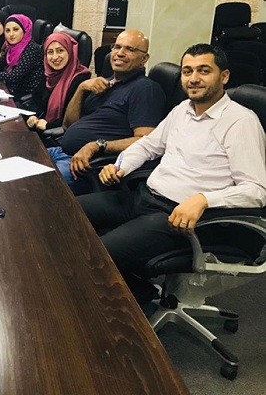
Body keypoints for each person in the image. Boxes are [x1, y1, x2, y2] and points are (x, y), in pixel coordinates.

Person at [79, 43, 266, 302]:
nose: (193, 78)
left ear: (224, 76)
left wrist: (203, 199)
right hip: (144, 198)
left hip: (179, 220)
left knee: (95, 255)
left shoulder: (240, 122)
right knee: (68, 212)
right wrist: (122, 166)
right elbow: (148, 145)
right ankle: (132, 287)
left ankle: (122, 306)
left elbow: (256, 190)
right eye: (187, 71)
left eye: (204, 71)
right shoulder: (182, 110)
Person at [47, 29, 165, 194]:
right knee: (16, 159)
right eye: (117, 47)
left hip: (86, 167)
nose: (120, 53)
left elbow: (145, 140)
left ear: (144, 59)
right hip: (61, 151)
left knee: (32, 185)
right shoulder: (104, 84)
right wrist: (81, 88)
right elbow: (68, 125)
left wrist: (97, 145)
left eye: (130, 49)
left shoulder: (145, 89)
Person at [26, 32, 91, 131]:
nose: (55, 57)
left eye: (60, 50)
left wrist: (48, 125)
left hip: (59, 133)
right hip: (41, 128)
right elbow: (35, 100)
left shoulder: (81, 80)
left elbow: (75, 119)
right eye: (50, 52)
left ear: (70, 51)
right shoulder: (48, 73)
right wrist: (32, 116)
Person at [0, 14, 43, 104]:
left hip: (24, 99)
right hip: (11, 91)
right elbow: (0, 63)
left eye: (15, 29)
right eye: (7, 30)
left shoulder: (32, 49)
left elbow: (14, 76)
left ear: (25, 30)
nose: (11, 34)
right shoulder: (12, 47)